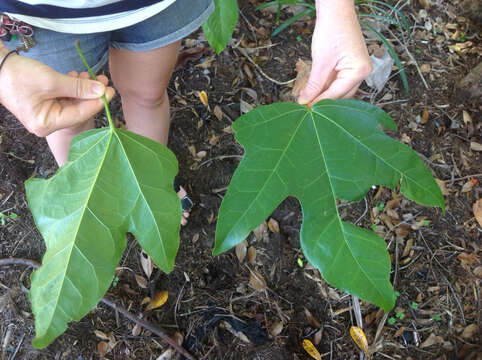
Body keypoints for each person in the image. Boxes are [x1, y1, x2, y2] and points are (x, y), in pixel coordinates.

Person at [0, 0, 372, 225]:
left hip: (156, 7)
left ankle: (153, 183)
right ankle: (89, 194)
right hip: (42, 21)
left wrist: (337, 10)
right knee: (68, 118)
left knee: (147, 93)